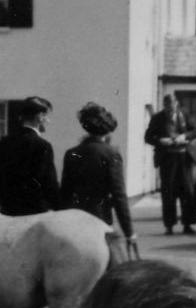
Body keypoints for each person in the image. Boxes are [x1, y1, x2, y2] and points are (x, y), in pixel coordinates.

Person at [0, 95, 59, 308]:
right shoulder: (42, 146)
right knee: (35, 273)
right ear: (39, 117)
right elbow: (49, 186)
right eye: (46, 116)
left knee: (9, 269)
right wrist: (59, 209)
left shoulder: (4, 142)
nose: (47, 120)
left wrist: (2, 207)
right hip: (34, 218)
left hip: (8, 215)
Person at [59, 101, 139, 264]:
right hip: (100, 219)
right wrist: (129, 232)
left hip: (75, 220)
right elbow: (119, 196)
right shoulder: (111, 153)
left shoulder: (72, 153)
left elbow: (65, 192)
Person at [145, 92, 196, 234]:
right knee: (168, 192)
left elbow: (195, 131)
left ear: (176, 104)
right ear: (164, 106)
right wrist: (160, 141)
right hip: (167, 158)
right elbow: (148, 137)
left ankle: (188, 224)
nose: (170, 109)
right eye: (167, 106)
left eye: (172, 106)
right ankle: (169, 225)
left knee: (187, 191)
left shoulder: (185, 114)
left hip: (184, 157)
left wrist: (184, 136)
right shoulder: (157, 118)